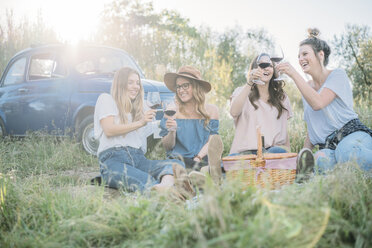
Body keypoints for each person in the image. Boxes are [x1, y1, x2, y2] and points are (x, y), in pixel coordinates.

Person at [276, 28, 372, 172]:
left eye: (305, 54)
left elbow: (318, 103)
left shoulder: (338, 75)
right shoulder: (307, 88)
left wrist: (293, 74)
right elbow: (313, 126)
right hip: (329, 146)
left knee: (346, 151)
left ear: (320, 55)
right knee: (320, 161)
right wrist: (303, 156)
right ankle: (348, 176)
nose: (300, 59)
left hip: (352, 135)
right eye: (298, 56)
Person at [94, 67, 188, 194]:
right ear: (120, 84)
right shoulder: (107, 99)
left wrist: (167, 122)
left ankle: (165, 186)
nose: (136, 86)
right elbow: (109, 130)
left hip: (139, 159)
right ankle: (168, 190)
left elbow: (152, 129)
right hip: (113, 160)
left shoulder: (140, 109)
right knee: (146, 181)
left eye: (138, 83)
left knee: (176, 164)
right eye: (130, 82)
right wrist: (140, 122)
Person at [160, 66, 223, 182]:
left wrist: (198, 158)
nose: (181, 90)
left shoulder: (212, 110)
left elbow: (212, 141)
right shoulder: (172, 110)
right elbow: (167, 146)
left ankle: (203, 174)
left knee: (208, 165)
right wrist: (172, 131)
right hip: (179, 159)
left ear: (196, 87)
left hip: (202, 157)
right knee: (174, 168)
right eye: (178, 86)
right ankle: (196, 178)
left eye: (185, 85)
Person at [229, 53, 293, 156]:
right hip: (246, 153)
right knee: (234, 160)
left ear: (274, 70)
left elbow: (284, 134)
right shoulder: (242, 91)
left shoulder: (282, 97)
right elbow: (233, 112)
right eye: (262, 65)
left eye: (270, 66)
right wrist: (250, 83)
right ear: (254, 69)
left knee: (275, 151)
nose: (266, 68)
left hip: (272, 152)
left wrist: (290, 158)